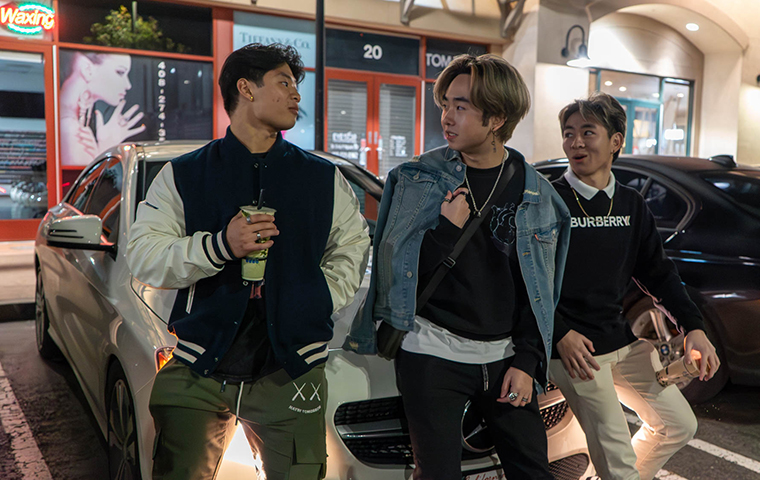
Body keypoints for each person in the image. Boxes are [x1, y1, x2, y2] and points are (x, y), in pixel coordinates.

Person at [126, 43, 370, 480]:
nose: (297, 96)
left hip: (292, 370)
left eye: (297, 86)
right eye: (284, 83)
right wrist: (220, 245)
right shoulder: (184, 174)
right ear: (246, 88)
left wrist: (319, 298)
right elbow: (144, 256)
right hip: (198, 366)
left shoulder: (321, 177)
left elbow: (351, 247)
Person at [344, 53, 571, 480]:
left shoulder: (540, 197)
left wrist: (527, 359)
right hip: (431, 351)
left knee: (533, 469)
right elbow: (396, 270)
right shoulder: (415, 179)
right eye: (445, 104)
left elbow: (541, 293)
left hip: (505, 356)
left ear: (497, 118)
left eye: (461, 107)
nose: (447, 117)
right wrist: (445, 233)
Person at [550, 92, 720, 480]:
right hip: (575, 350)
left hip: (618, 340)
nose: (575, 142)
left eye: (587, 132)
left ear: (615, 141)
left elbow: (658, 273)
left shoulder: (631, 204)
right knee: (618, 462)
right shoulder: (550, 202)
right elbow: (525, 279)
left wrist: (693, 328)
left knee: (678, 425)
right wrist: (560, 333)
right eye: (568, 133)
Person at [59, 52, 145, 166]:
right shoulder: (69, 130)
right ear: (87, 68)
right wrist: (106, 150)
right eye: (120, 72)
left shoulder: (70, 122)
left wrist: (103, 149)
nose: (128, 85)